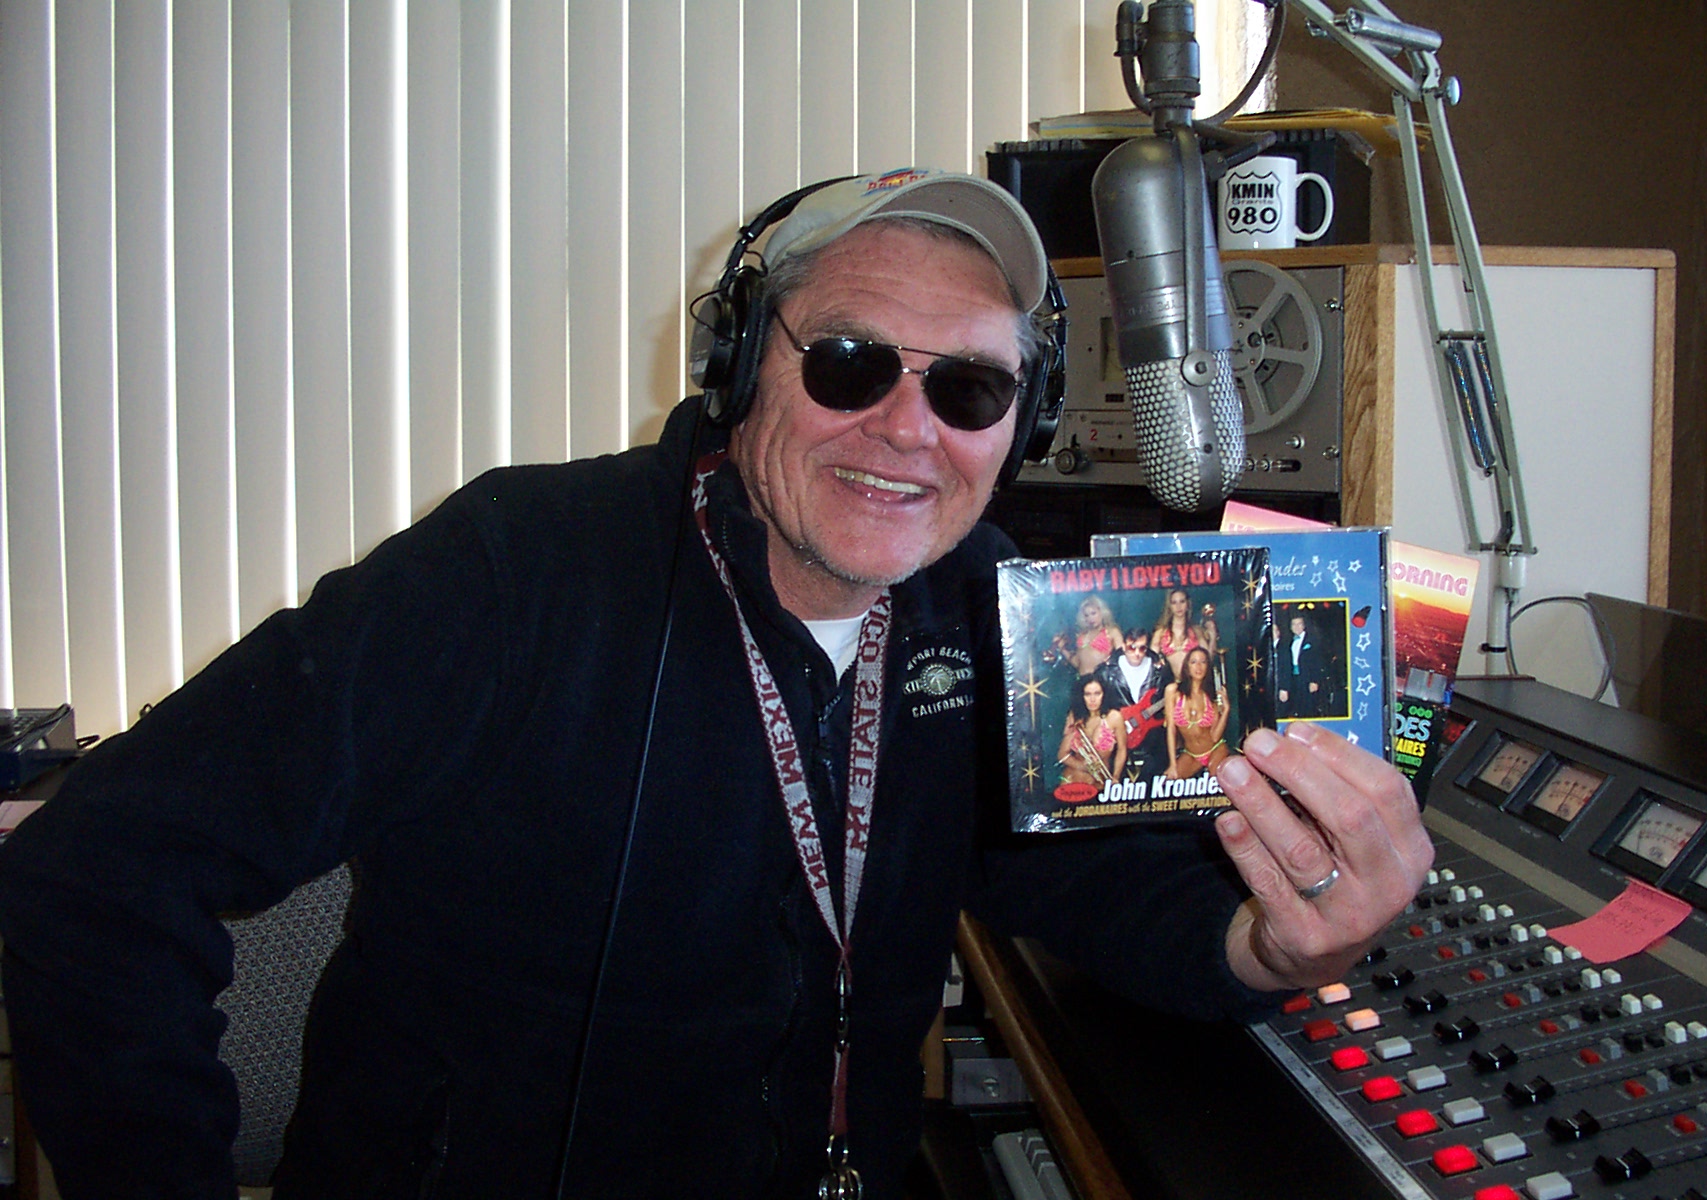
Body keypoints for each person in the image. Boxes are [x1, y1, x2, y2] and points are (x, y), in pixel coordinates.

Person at [0, 168, 1433, 1199]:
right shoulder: (512, 572)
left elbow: (1080, 878)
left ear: (1022, 422)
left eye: (970, 389)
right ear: (743, 362)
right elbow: (96, 871)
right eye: (851, 364)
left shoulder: (981, 604)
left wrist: (1271, 944)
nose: (907, 429)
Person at [1093, 628, 1175, 778]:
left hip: (1152, 744)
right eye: (1132, 648)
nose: (1137, 653)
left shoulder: (1160, 670)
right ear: (1124, 646)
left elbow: (1171, 702)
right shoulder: (1106, 672)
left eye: (1142, 648)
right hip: (1116, 743)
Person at [1165, 644, 1232, 777]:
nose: (1198, 666)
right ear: (1187, 666)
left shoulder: (1211, 696)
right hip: (1191, 754)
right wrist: (1172, 764)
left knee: (1214, 778)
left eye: (1203, 662)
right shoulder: (1173, 691)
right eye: (1194, 662)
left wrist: (1226, 710)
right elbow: (1171, 729)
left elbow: (1215, 736)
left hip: (1215, 749)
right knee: (1170, 781)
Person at [1055, 674, 1128, 788]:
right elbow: (1062, 754)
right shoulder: (1076, 716)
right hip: (1071, 780)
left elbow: (1122, 749)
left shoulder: (1114, 717)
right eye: (1087, 694)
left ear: (1104, 695)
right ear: (1081, 696)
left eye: (1097, 694)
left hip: (1099, 781)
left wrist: (1116, 776)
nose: (1092, 699)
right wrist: (1082, 766)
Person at [1277, 611, 1328, 718]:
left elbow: (1318, 662)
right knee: (1295, 707)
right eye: (1293, 624)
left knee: (1308, 708)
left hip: (1307, 678)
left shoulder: (1312, 640)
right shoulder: (1289, 641)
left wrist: (1314, 680)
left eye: (1299, 624)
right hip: (1293, 678)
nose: (1296, 627)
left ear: (1304, 626)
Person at [1059, 594, 1124, 676]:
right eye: (1086, 615)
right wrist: (1063, 650)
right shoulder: (1082, 635)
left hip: (1102, 679)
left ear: (1102, 612)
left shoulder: (1112, 632)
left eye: (1093, 613)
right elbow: (1077, 663)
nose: (1091, 618)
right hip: (1083, 679)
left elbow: (1122, 657)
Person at [1151, 587, 1201, 679]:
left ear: (1188, 603)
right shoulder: (1160, 633)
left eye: (1182, 601)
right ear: (1169, 606)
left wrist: (1213, 635)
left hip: (1193, 682)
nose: (1178, 606)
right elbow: (1152, 661)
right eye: (1174, 603)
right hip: (1168, 682)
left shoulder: (1196, 631)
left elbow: (1207, 658)